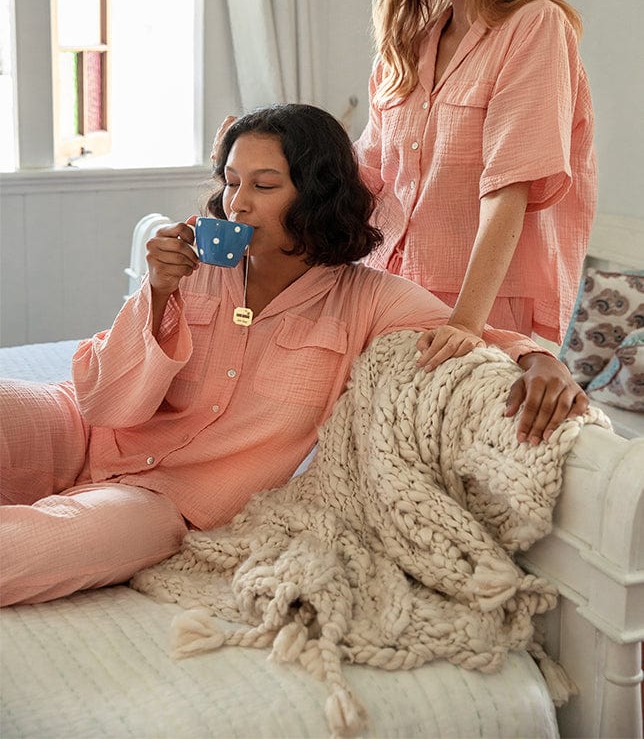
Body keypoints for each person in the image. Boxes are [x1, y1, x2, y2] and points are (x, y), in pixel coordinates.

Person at [0, 105, 588, 608]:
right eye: (231, 182)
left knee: (34, 550)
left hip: (165, 502)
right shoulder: (192, 268)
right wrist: (155, 291)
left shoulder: (366, 300)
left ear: (315, 195)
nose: (237, 205)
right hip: (79, 426)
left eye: (263, 185)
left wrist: (543, 361)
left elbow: (477, 335)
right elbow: (102, 398)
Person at [354, 0, 597, 361]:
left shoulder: (534, 27)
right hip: (388, 296)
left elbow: (508, 186)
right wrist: (254, 164)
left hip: (480, 309)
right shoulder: (405, 45)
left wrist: (466, 325)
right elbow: (365, 176)